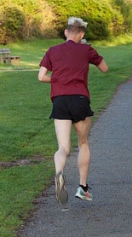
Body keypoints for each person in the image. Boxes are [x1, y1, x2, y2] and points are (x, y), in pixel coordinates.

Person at [38, 17, 109, 205]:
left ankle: (59, 173)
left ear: (65, 32)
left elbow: (41, 77)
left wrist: (60, 79)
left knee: (63, 148)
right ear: (82, 34)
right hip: (80, 100)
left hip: (60, 101)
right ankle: (83, 187)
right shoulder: (86, 49)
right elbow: (104, 68)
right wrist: (88, 51)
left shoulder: (52, 50)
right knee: (83, 143)